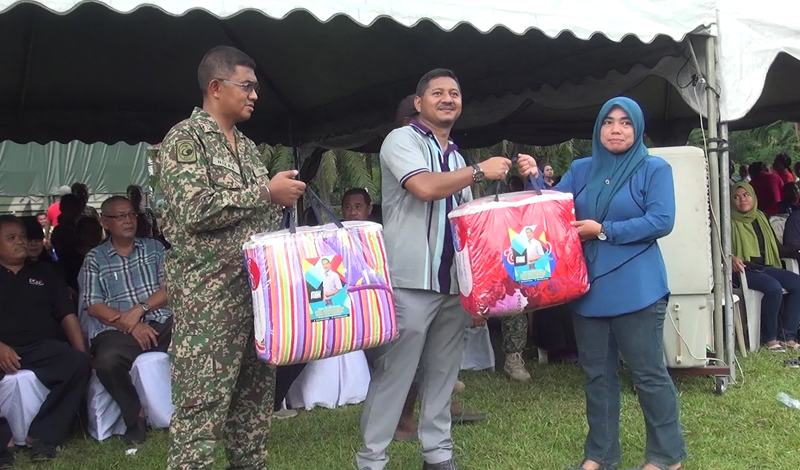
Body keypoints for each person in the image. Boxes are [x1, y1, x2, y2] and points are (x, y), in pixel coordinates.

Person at [156, 45, 305, 469]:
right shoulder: (185, 139)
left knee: (254, 410)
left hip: (258, 299)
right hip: (209, 302)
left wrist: (280, 199)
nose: (255, 95)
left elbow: (256, 218)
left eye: (256, 88)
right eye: (247, 86)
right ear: (216, 87)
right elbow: (193, 208)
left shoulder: (247, 147)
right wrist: (264, 192)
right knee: (201, 413)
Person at [518, 97, 686, 470]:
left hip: (638, 287)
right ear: (598, 129)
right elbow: (552, 211)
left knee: (648, 375)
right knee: (597, 375)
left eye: (625, 123)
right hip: (588, 288)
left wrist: (604, 231)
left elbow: (661, 220)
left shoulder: (653, 169)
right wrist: (532, 177)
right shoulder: (581, 169)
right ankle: (600, 455)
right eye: (608, 122)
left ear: (637, 129)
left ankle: (666, 456)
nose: (616, 129)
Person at [356, 68, 511, 470]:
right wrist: (480, 171)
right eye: (438, 92)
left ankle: (437, 454)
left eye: (455, 93)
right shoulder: (400, 140)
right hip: (411, 278)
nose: (447, 98)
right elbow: (424, 187)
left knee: (443, 372)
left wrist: (475, 288)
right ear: (419, 103)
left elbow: (469, 224)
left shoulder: (456, 154)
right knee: (397, 373)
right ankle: (371, 459)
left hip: (453, 282)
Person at [81, 196, 172, 444]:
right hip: (116, 330)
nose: (128, 220)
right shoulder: (95, 258)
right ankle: (135, 418)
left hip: (161, 320)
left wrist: (140, 309)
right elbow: (94, 305)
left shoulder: (155, 248)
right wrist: (131, 323)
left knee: (195, 339)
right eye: (120, 216)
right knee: (107, 361)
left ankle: (194, 409)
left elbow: (170, 289)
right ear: (105, 222)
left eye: (131, 214)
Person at [0, 215, 91, 461]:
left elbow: (67, 314)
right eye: (11, 238)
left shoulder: (45, 272)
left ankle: (43, 437)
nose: (20, 242)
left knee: (78, 363)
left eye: (22, 236)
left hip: (41, 347)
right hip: (2, 348)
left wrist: (81, 351)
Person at [731, 182, 800, 351]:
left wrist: (796, 252)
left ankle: (787, 335)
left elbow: (776, 247)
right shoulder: (728, 220)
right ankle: (770, 338)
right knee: (773, 287)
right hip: (742, 270)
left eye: (746, 195)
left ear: (753, 197)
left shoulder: (761, 217)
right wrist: (730, 257)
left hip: (765, 267)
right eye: (736, 197)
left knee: (797, 284)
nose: (742, 200)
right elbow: (717, 248)